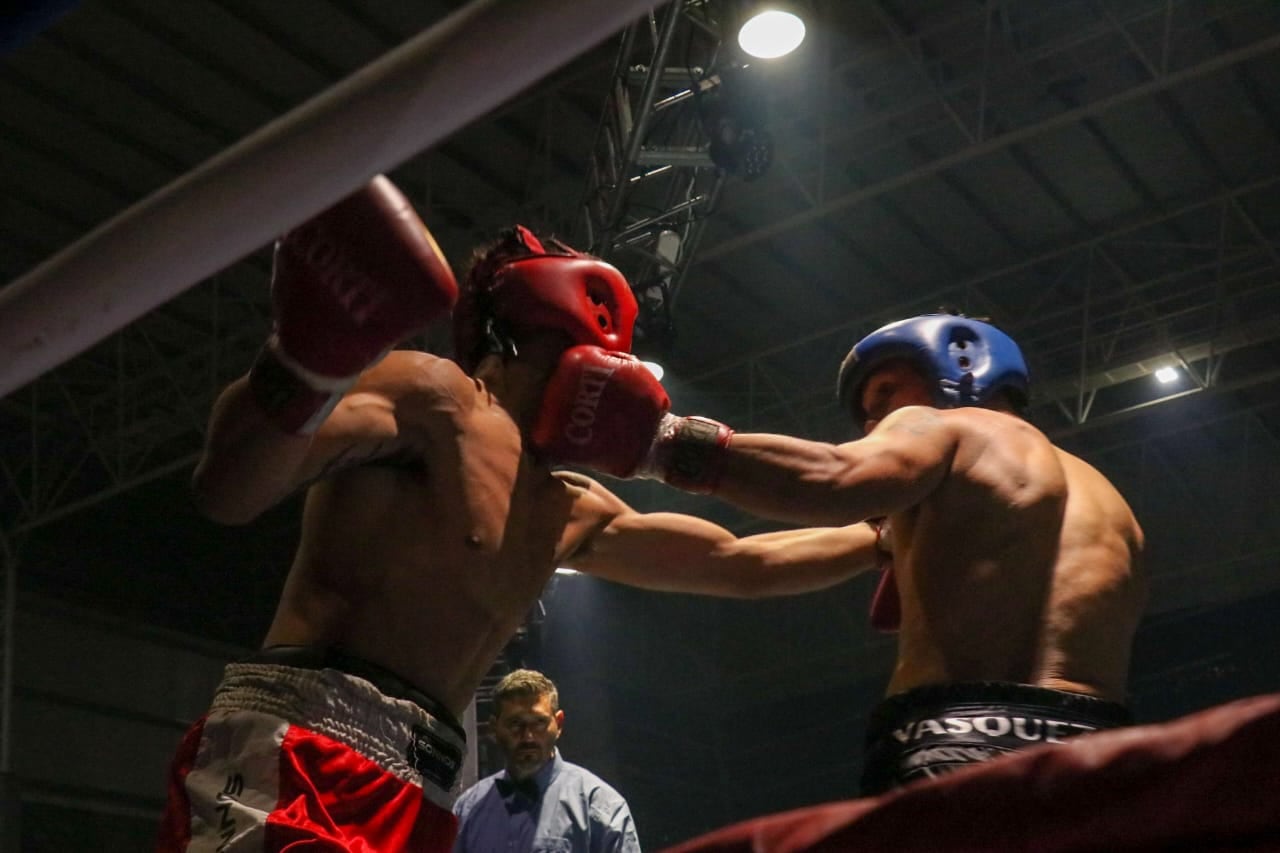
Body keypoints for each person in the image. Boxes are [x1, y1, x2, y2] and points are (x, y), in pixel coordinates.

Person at [155, 174, 878, 852]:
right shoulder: (438, 398)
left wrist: (881, 539)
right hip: (301, 745)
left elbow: (740, 564)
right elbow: (229, 489)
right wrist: (306, 362)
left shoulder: (563, 505)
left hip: (425, 790)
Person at [535, 313, 1149, 794]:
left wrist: (657, 444)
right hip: (1099, 755)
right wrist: (606, 528)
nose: (876, 419)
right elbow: (750, 564)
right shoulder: (1111, 507)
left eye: (883, 393)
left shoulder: (954, 430)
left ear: (960, 367)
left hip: (954, 741)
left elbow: (831, 478)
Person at [452, 669, 641, 853]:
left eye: (539, 723)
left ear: (558, 724)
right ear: (494, 728)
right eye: (515, 724)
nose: (528, 737)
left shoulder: (601, 806)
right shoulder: (467, 810)